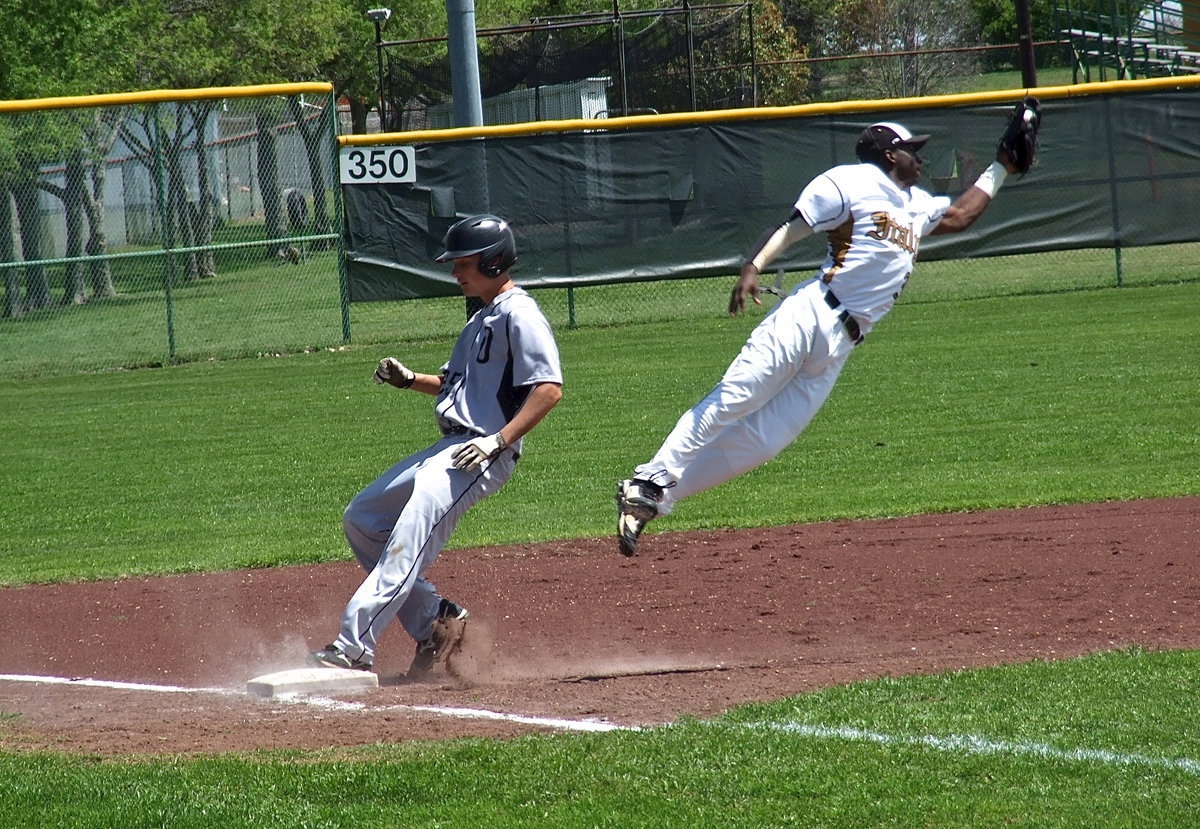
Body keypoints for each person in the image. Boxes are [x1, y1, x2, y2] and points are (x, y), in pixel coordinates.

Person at [616, 120, 1019, 556]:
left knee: (764, 442)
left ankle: (653, 501)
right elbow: (795, 224)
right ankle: (647, 481)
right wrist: (754, 265)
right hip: (810, 314)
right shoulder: (851, 180)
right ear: (889, 155)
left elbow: (960, 215)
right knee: (736, 397)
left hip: (842, 345)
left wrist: (1002, 167)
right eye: (911, 150)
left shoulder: (914, 205)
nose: (919, 158)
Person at [312, 214, 563, 676]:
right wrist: (410, 381)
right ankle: (437, 621)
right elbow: (455, 386)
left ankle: (352, 647)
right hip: (451, 447)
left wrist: (498, 442)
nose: (454, 272)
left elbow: (548, 389)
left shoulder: (520, 314)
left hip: (479, 453)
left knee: (409, 538)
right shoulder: (481, 318)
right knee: (363, 518)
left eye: (462, 263)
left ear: (492, 262)